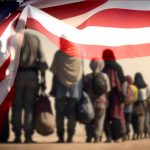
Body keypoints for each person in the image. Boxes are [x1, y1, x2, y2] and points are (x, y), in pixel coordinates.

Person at [11, 29, 48, 143]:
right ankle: (28, 136)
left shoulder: (14, 38)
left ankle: (17, 135)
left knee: (16, 107)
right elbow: (42, 60)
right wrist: (43, 80)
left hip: (17, 75)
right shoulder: (35, 39)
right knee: (29, 107)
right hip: (32, 76)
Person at [50, 44, 82, 143]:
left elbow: (54, 73)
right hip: (74, 90)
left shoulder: (59, 54)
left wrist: (52, 89)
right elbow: (81, 74)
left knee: (59, 114)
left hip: (60, 89)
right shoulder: (78, 55)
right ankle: (70, 137)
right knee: (72, 114)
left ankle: (60, 137)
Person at [102, 49, 126, 143]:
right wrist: (123, 95)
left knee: (106, 116)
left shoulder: (104, 68)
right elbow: (123, 82)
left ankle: (109, 137)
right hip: (117, 95)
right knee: (116, 116)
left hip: (106, 95)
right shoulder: (118, 67)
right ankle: (117, 137)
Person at [84, 59, 110, 143]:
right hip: (101, 102)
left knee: (88, 120)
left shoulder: (87, 76)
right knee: (100, 120)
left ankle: (89, 136)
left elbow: (84, 89)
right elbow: (107, 90)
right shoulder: (105, 76)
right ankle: (97, 137)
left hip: (90, 103)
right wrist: (107, 100)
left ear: (91, 65)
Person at [132, 72, 149, 140]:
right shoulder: (146, 86)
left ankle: (138, 133)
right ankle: (144, 133)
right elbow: (148, 95)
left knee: (137, 119)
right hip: (144, 104)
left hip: (136, 104)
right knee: (143, 119)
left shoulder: (134, 86)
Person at [124, 75, 138, 140]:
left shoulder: (123, 86)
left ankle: (125, 135)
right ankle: (128, 134)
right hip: (130, 108)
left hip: (123, 108)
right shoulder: (134, 87)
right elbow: (135, 98)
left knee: (124, 122)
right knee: (128, 122)